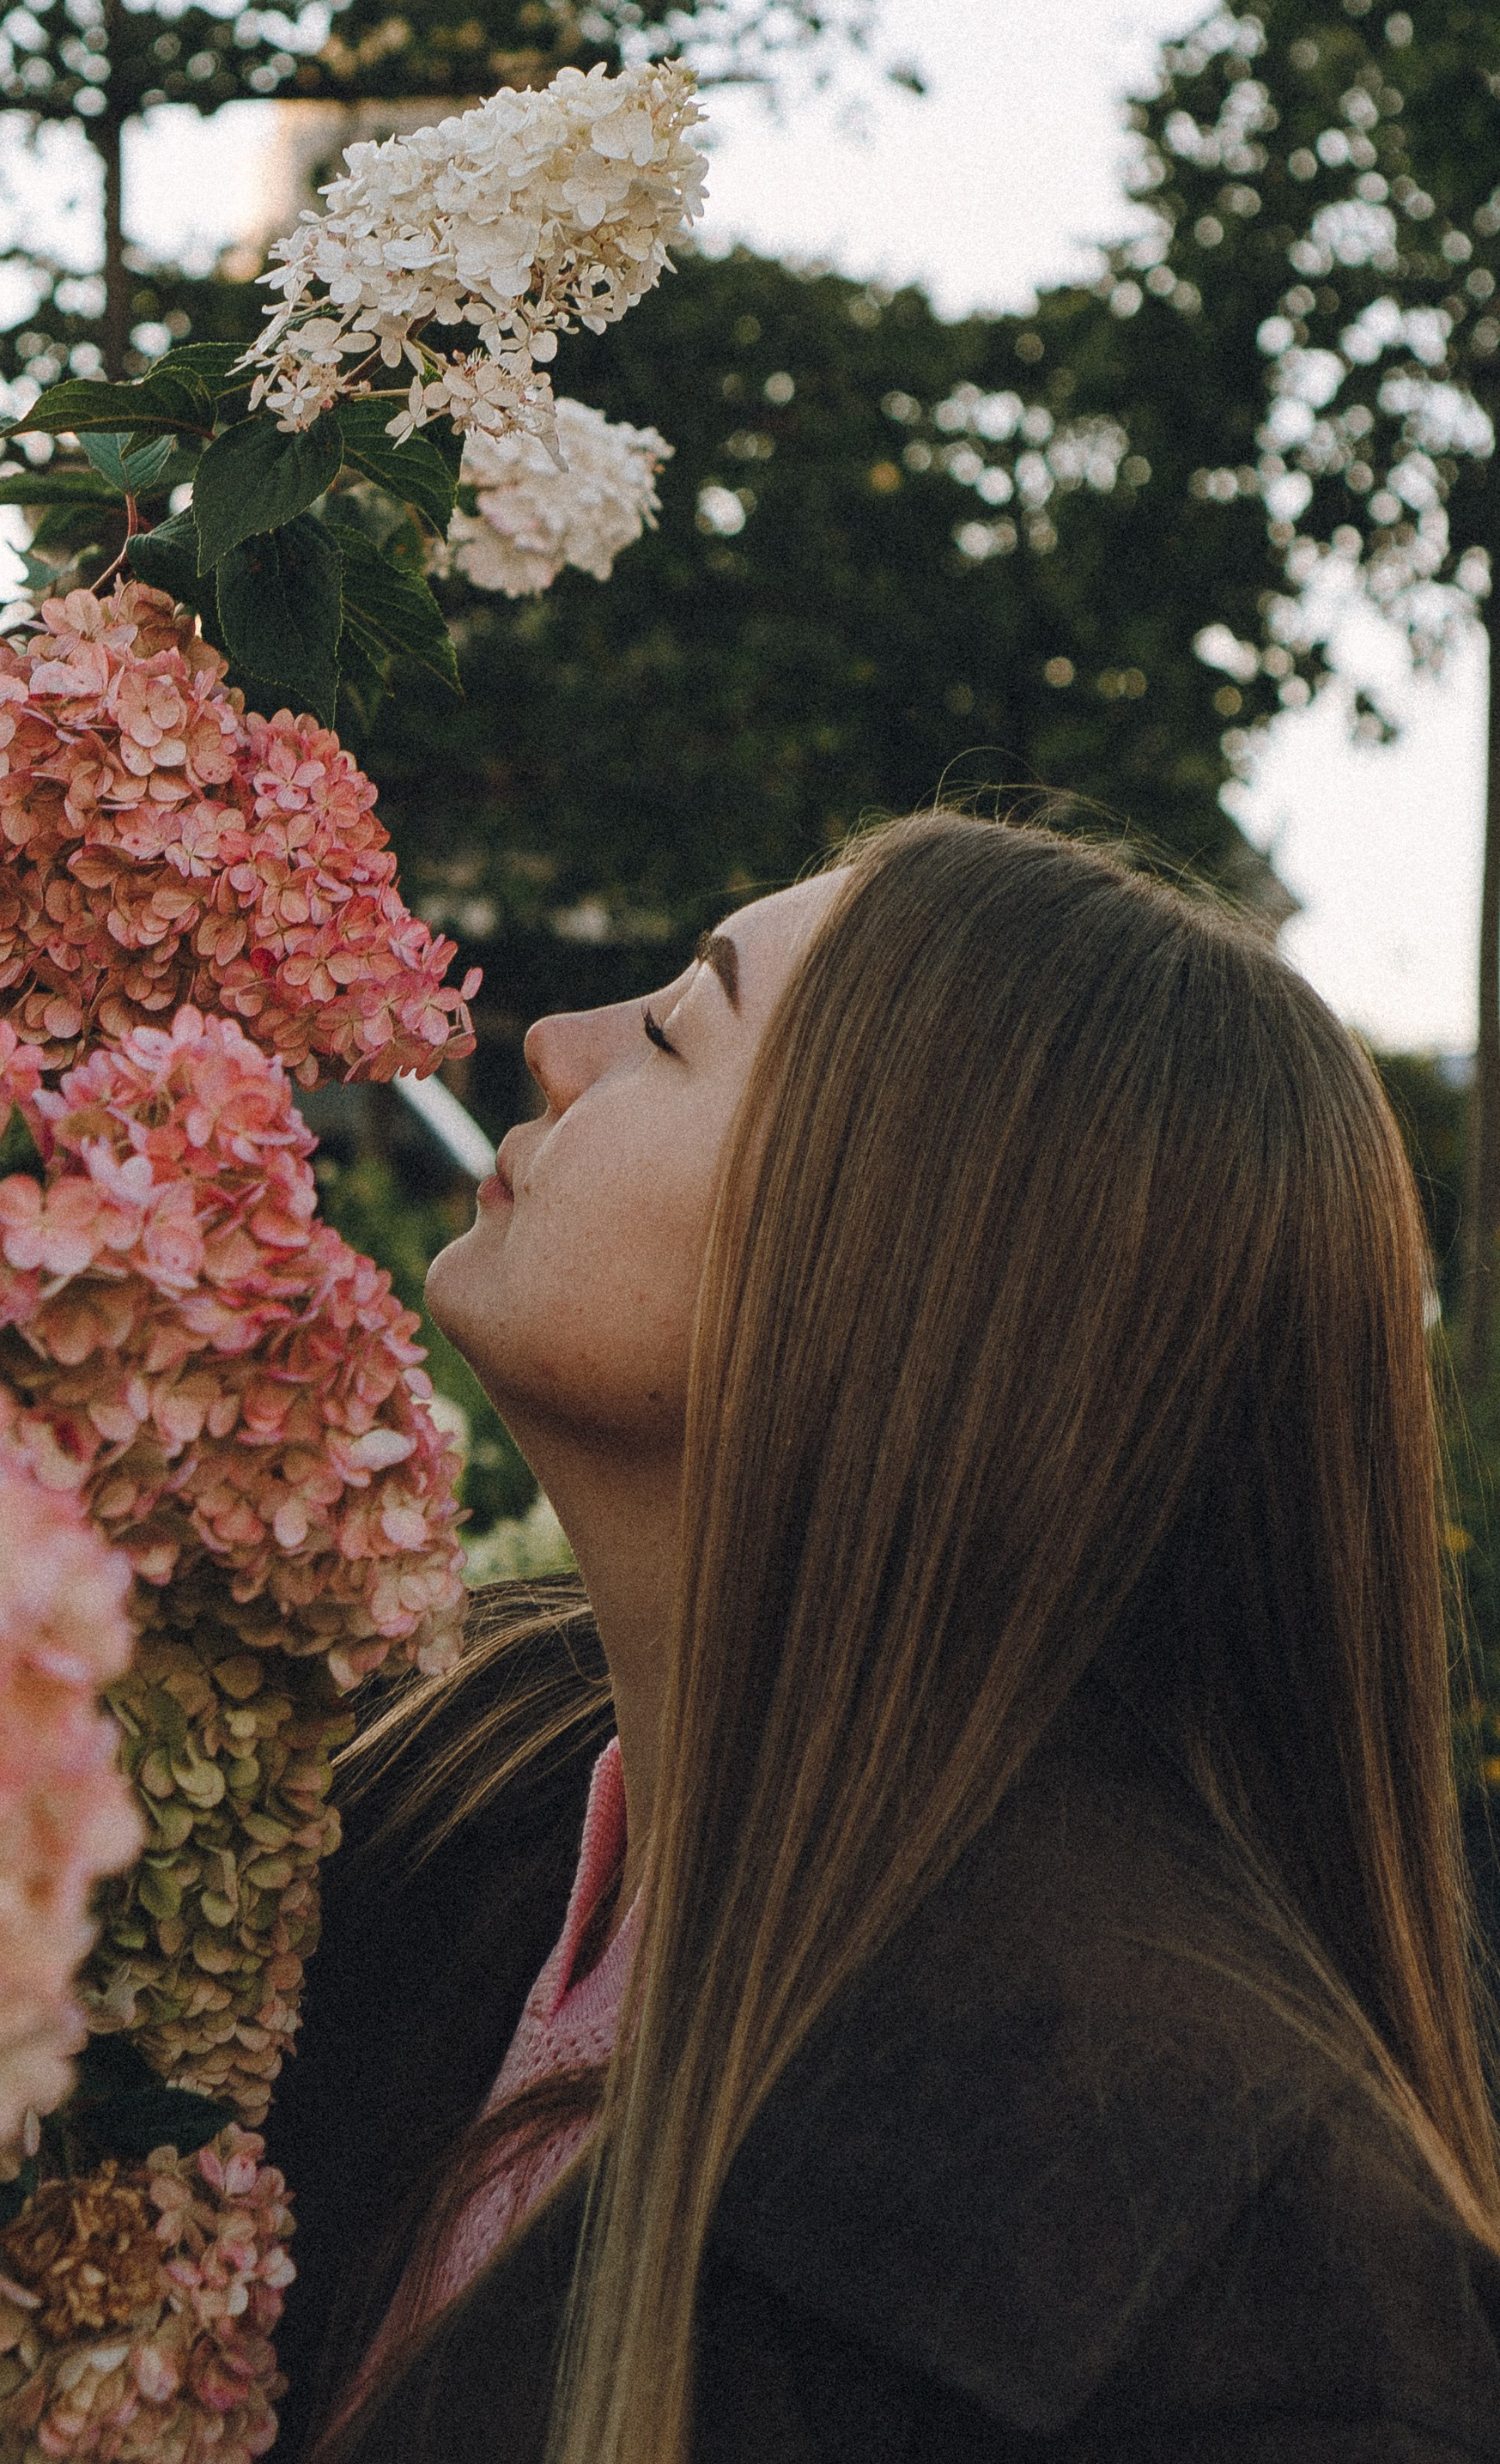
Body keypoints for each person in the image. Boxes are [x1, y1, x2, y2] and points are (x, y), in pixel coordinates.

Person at [261, 812, 1500, 2463]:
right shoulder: (441, 1794)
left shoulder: (1237, 2319)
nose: (548, 1046)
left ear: (910, 1268)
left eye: (675, 1029)